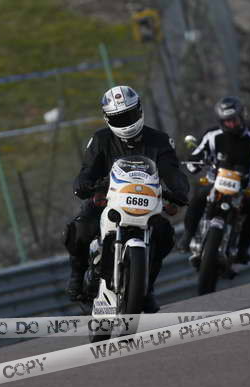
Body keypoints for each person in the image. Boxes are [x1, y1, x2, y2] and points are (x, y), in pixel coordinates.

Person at [62, 85, 189, 313]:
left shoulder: (159, 141)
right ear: (107, 118)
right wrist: (83, 184)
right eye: (119, 118)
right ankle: (77, 275)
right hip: (107, 200)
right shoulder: (100, 139)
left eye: (129, 116)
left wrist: (179, 190)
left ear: (139, 111)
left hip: (145, 203)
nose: (126, 123)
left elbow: (172, 171)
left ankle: (146, 287)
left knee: (165, 235)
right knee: (80, 229)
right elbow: (87, 170)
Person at [179, 96, 250, 264]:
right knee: (198, 196)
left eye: (234, 120)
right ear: (221, 121)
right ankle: (187, 236)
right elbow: (197, 154)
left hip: (243, 190)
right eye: (227, 121)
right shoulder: (212, 136)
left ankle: (242, 249)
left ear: (242, 117)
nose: (231, 124)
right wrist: (195, 162)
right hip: (214, 184)